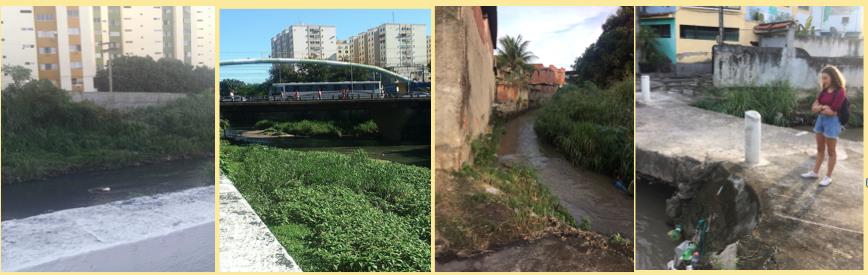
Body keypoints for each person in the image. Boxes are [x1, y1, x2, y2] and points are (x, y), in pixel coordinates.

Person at [801, 65, 847, 186]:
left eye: (825, 78)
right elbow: (813, 107)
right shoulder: (824, 90)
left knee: (831, 151)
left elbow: (832, 112)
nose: (823, 80)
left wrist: (820, 108)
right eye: (822, 78)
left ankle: (828, 177)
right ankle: (815, 172)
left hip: (832, 122)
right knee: (820, 149)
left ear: (833, 77)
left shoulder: (840, 91)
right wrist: (823, 107)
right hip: (821, 120)